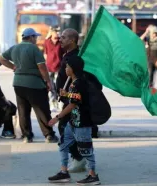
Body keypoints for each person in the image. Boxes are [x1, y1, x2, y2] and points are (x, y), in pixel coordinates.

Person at [0, 28, 59, 143]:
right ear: (30, 37)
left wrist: (13, 67)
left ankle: (27, 136)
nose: (36, 39)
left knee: (23, 110)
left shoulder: (15, 48)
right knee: (42, 110)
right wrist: (48, 82)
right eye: (35, 37)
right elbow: (42, 68)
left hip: (18, 84)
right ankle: (49, 135)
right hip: (34, 84)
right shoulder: (33, 49)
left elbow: (1, 59)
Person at [47, 56, 101, 185]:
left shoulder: (79, 83)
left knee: (86, 150)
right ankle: (64, 172)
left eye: (67, 67)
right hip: (73, 123)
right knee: (63, 145)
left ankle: (92, 176)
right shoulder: (75, 83)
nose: (65, 69)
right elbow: (76, 98)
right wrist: (66, 95)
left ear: (73, 69)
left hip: (82, 124)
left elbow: (73, 104)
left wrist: (57, 117)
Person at [56, 28, 102, 173]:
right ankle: (81, 159)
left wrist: (69, 94)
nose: (60, 39)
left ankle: (79, 159)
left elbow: (86, 79)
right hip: (69, 99)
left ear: (72, 40)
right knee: (72, 130)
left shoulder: (78, 57)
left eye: (63, 37)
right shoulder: (68, 55)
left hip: (74, 102)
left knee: (67, 130)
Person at [140, 25, 157, 95]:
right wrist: (146, 32)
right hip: (150, 60)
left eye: (156, 33)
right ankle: (150, 90)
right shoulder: (148, 39)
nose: (154, 35)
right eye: (153, 33)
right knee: (150, 76)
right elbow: (140, 39)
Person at [44, 27, 64, 111]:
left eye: (59, 32)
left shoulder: (61, 42)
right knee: (50, 86)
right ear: (51, 34)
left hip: (58, 67)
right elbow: (45, 53)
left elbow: (64, 53)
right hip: (49, 67)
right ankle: (52, 103)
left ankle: (60, 101)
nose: (58, 33)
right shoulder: (47, 42)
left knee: (58, 85)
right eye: (56, 31)